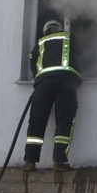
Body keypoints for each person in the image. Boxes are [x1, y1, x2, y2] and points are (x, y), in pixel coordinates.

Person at [23, 19, 82, 172]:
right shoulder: (69, 37)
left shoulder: (40, 42)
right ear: (59, 28)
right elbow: (83, 54)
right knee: (64, 120)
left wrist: (39, 79)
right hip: (66, 81)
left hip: (43, 84)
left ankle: (30, 161)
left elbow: (32, 61)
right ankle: (58, 162)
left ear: (45, 31)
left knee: (37, 120)